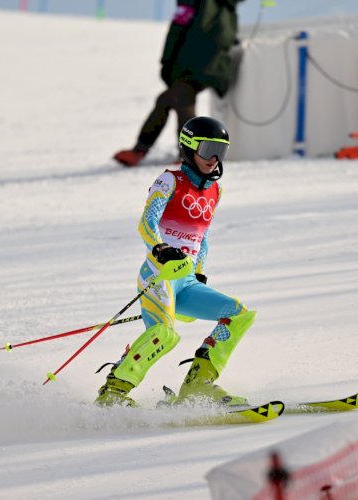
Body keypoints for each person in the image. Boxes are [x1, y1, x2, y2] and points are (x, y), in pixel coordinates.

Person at [96, 116, 256, 408]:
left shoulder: (216, 190)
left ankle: (198, 384)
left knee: (239, 314)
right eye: (208, 149)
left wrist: (199, 272)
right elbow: (147, 221)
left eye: (221, 151)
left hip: (187, 280)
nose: (215, 159)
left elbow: (202, 237)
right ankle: (114, 392)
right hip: (159, 275)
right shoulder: (169, 180)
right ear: (189, 147)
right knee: (164, 335)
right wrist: (159, 248)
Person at [113, 0, 243, 167]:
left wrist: (167, 62)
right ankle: (142, 150)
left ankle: (188, 154)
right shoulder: (225, 8)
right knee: (167, 99)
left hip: (194, 63)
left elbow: (178, 28)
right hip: (209, 65)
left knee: (181, 97)